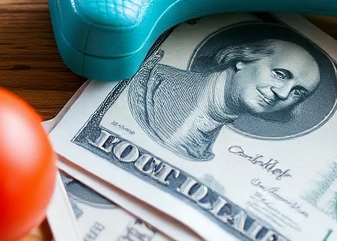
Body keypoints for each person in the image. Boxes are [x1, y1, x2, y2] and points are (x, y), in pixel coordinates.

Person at [131, 38, 323, 160]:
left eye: (297, 92)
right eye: (280, 74)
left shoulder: (204, 150)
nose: (282, 93)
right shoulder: (149, 84)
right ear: (243, 59)